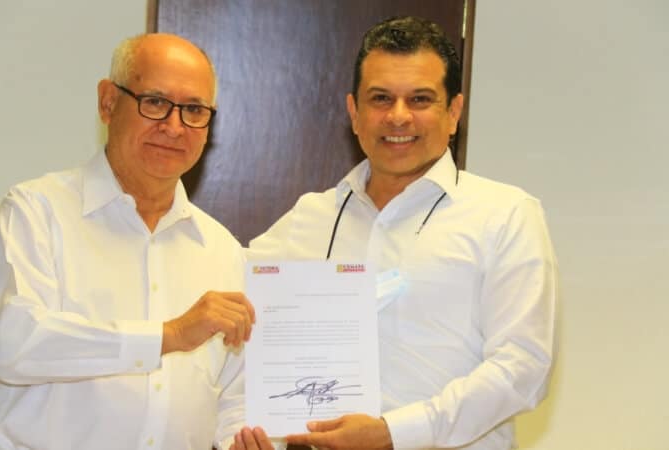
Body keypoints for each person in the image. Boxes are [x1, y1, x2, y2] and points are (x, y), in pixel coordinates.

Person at [234, 16, 558, 450]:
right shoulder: (309, 218)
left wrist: (393, 433)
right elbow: (230, 327)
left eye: (420, 99)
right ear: (354, 112)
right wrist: (247, 433)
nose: (398, 116)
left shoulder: (505, 215)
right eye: (381, 98)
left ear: (454, 112)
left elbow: (523, 368)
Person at [0, 33, 257, 450]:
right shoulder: (36, 212)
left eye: (194, 110)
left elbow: (236, 392)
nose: (174, 126)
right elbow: (14, 344)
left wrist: (242, 438)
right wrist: (170, 334)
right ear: (108, 102)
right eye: (155, 102)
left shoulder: (222, 249)